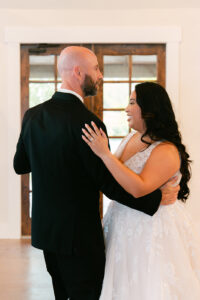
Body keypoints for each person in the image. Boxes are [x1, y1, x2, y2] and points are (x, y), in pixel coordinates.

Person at [13, 48, 178, 300]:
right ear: (78, 73)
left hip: (47, 233)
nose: (100, 75)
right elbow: (109, 184)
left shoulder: (33, 116)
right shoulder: (89, 124)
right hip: (79, 238)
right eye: (96, 69)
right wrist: (155, 200)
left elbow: (20, 165)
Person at [82, 82, 200, 299]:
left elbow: (139, 188)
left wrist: (104, 154)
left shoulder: (166, 150)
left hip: (150, 228)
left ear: (150, 109)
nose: (126, 108)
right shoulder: (132, 137)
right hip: (121, 223)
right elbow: (113, 178)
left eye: (132, 102)